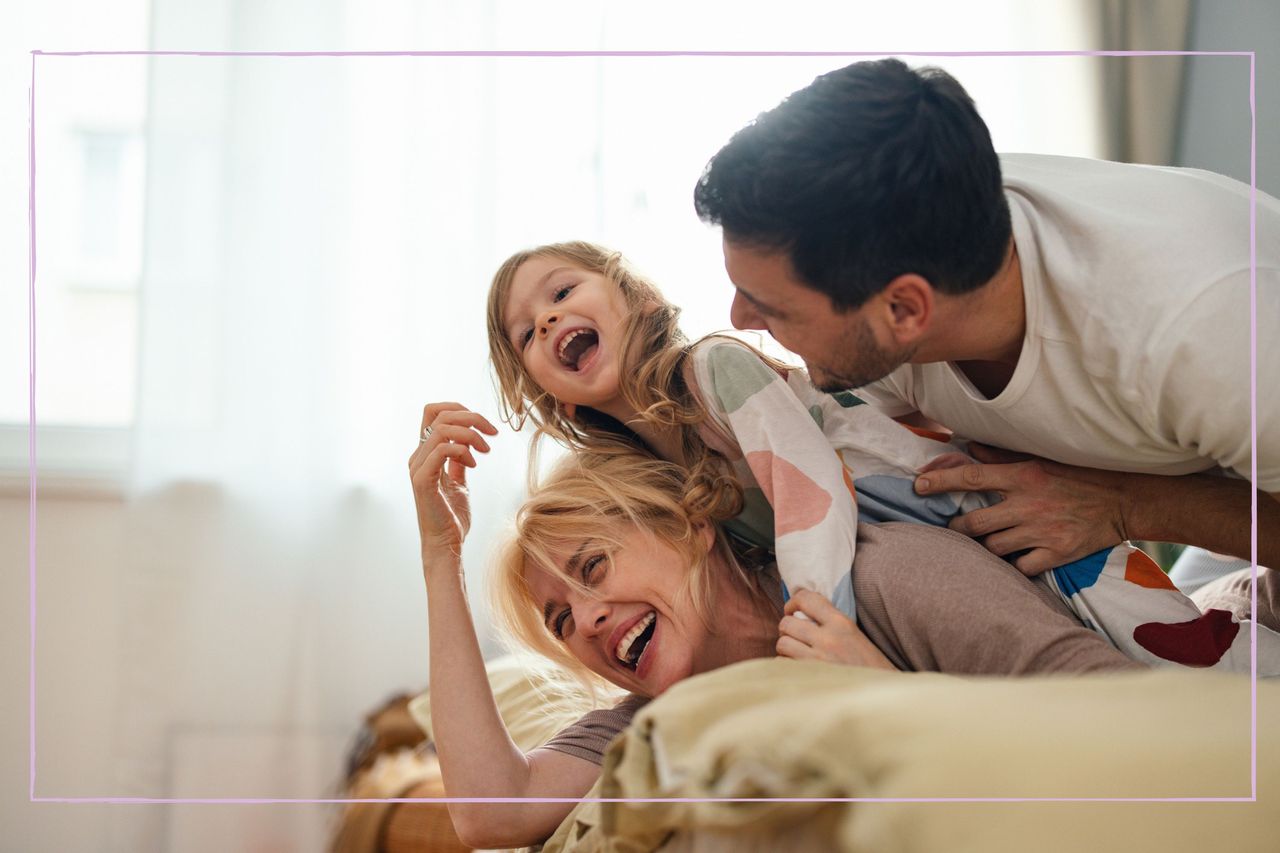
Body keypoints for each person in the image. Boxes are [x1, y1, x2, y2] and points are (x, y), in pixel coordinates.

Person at [487, 241, 1279, 671]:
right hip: (914, 533)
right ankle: (1245, 608)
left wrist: (814, 626)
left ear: (640, 299)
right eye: (527, 332)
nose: (550, 320)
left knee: (1157, 639)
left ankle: (1249, 672)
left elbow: (810, 495)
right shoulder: (653, 468)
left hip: (959, 494)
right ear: (552, 396)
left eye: (562, 292)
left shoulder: (714, 370)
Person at [692, 56, 1279, 619]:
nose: (739, 318)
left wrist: (1124, 503)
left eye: (771, 306)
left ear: (904, 309)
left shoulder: (1210, 330)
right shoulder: (911, 225)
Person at [408, 406, 1142, 849]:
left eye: (594, 567)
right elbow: (487, 811)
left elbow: (1125, 709)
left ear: (690, 524)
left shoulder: (887, 577)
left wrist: (891, 701)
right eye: (561, 620)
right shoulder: (646, 726)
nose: (589, 619)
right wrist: (440, 556)